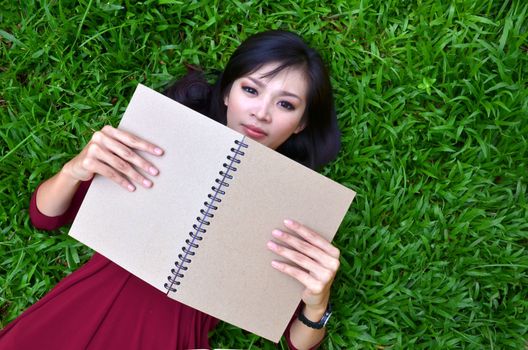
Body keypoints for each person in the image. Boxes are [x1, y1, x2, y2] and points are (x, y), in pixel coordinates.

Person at [0, 30, 342, 350]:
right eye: (250, 90)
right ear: (226, 93)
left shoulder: (298, 206)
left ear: (302, 122)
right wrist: (74, 169)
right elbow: (45, 216)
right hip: (72, 319)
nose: (261, 112)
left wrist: (319, 300)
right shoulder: (164, 140)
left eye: (286, 104)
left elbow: (299, 343)